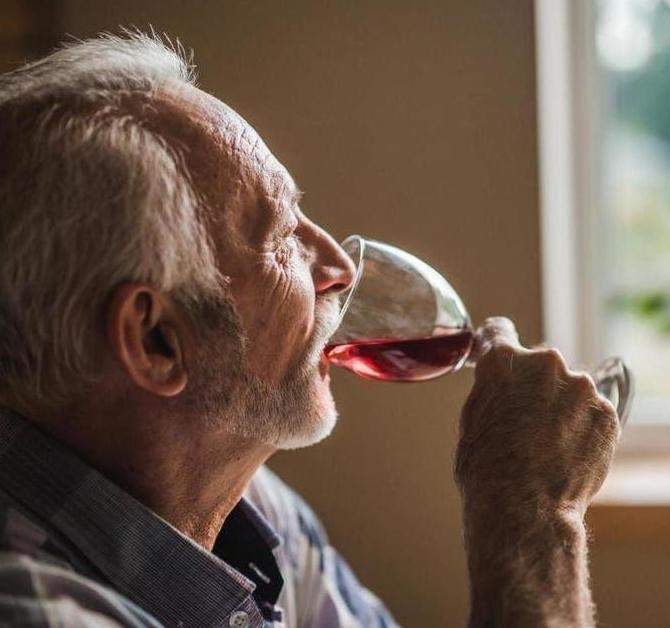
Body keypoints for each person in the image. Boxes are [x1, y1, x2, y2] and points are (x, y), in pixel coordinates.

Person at [0, 33, 619, 628]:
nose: (340, 267)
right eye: (280, 237)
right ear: (157, 341)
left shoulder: (243, 503)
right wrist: (535, 519)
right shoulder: (42, 610)